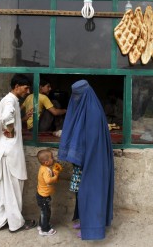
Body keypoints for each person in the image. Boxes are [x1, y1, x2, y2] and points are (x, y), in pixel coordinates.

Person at [58, 79, 114, 240]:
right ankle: (84, 220)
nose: (75, 99)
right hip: (83, 160)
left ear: (86, 94)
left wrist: (80, 155)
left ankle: (93, 228)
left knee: (92, 193)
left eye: (78, 95)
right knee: (81, 192)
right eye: (74, 96)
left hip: (93, 160)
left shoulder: (93, 113)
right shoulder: (83, 110)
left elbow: (91, 141)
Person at [0, 74, 37, 233]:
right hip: (10, 153)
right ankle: (16, 223)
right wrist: (10, 129)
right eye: (25, 88)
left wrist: (20, 121)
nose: (27, 91)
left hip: (5, 152)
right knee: (14, 189)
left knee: (3, 190)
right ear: (16, 86)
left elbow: (11, 118)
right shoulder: (10, 101)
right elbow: (6, 118)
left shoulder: (9, 100)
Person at [36, 149, 62, 236]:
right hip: (43, 196)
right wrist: (56, 176)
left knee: (44, 212)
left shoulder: (44, 168)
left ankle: (42, 225)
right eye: (52, 157)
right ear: (46, 162)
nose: (53, 159)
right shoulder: (46, 170)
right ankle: (45, 230)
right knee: (46, 212)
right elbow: (48, 181)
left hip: (43, 194)